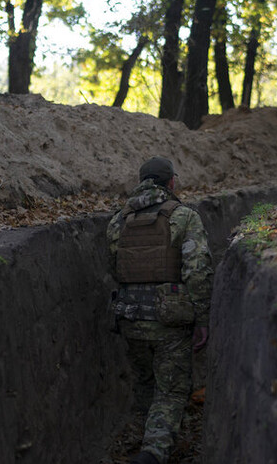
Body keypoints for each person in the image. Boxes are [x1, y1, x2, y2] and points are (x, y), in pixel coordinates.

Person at [106, 156, 213, 464]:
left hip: (129, 316)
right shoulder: (184, 217)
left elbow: (115, 267)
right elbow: (198, 271)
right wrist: (202, 318)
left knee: (145, 384)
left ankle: (140, 439)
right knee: (171, 391)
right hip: (169, 321)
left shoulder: (118, 221)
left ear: (140, 181)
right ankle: (153, 453)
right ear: (172, 183)